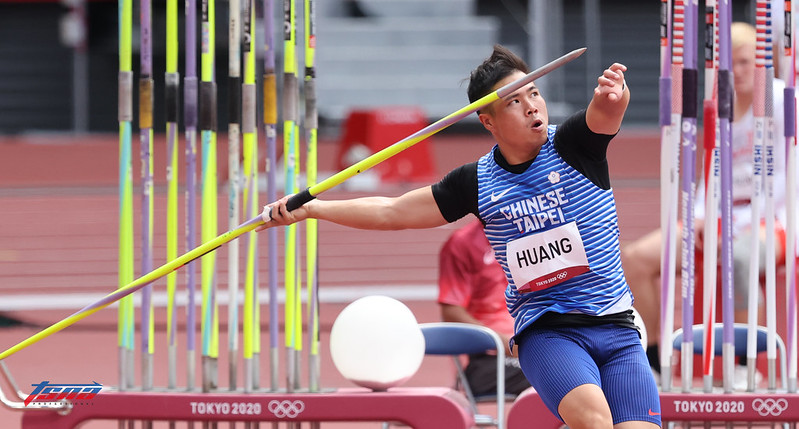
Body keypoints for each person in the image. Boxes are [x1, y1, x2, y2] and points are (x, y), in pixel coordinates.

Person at [262, 45, 660, 428]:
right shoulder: (475, 182)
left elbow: (605, 113)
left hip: (618, 327)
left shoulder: (574, 145)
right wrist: (314, 209)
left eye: (534, 93)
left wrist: (614, 93)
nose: (531, 106)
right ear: (487, 121)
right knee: (594, 420)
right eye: (513, 102)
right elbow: (392, 211)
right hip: (548, 331)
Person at [621, 22, 789, 382]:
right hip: (721, 216)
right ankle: (652, 361)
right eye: (731, 64)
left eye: (746, 63)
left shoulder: (777, 100)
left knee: (741, 259)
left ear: (761, 64)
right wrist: (697, 217)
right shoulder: (718, 105)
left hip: (774, 218)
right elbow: (709, 174)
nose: (738, 72)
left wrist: (758, 219)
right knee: (637, 258)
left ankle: (743, 366)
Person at [438, 219, 532, 397]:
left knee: (581, 367)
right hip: (486, 358)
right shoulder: (462, 243)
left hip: (533, 344)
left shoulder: (533, 233)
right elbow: (451, 311)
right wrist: (509, 346)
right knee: (557, 373)